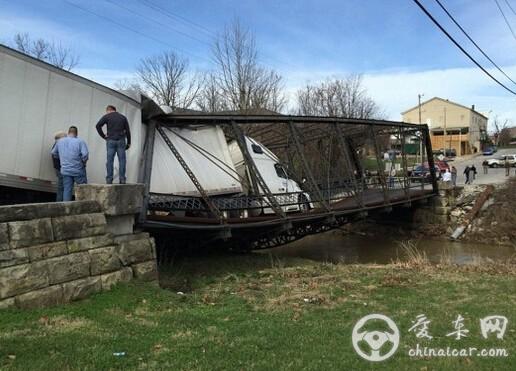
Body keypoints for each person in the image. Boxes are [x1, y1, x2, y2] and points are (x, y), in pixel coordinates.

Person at [51, 126, 89, 201]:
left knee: (67, 190)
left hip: (65, 170)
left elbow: (53, 153)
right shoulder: (80, 141)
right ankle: (81, 205)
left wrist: (61, 158)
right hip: (78, 170)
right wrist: (83, 163)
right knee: (82, 189)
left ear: (68, 132)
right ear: (76, 133)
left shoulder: (60, 141)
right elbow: (85, 155)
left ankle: (66, 208)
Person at [96, 105, 131, 184]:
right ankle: (122, 179)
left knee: (110, 160)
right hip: (121, 140)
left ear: (109, 110)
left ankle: (109, 179)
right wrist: (129, 143)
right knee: (122, 160)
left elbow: (97, 126)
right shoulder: (123, 117)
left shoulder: (107, 116)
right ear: (115, 110)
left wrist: (104, 136)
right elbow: (128, 131)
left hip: (110, 140)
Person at [51, 131, 67, 201]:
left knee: (61, 187)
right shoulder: (59, 145)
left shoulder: (56, 144)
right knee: (62, 188)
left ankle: (59, 202)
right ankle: (59, 203)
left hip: (58, 168)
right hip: (61, 169)